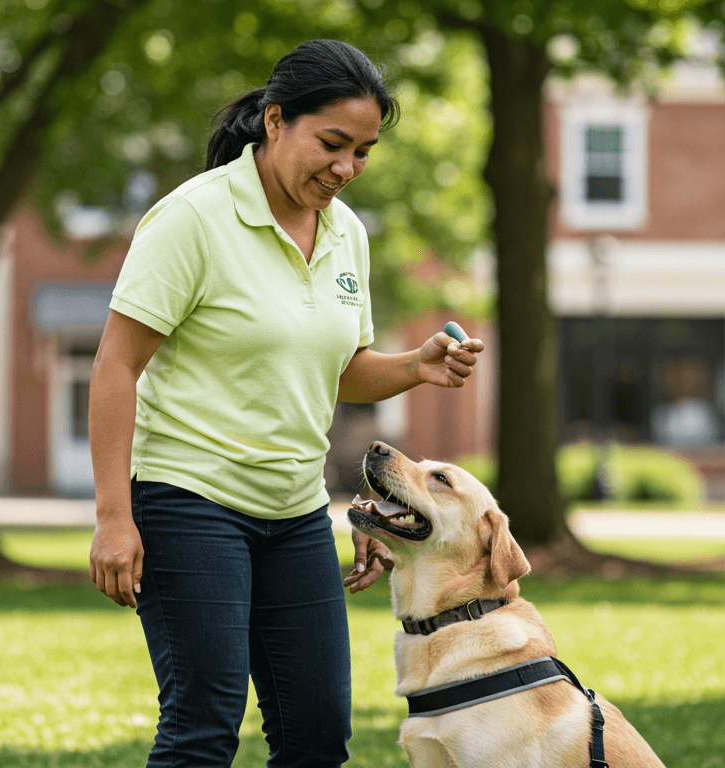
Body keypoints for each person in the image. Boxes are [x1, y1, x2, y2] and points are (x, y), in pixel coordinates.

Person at [87, 39, 486, 768]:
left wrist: (416, 368)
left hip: (295, 509)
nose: (345, 168)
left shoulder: (346, 235)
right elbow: (117, 367)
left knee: (316, 734)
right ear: (275, 122)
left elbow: (339, 370)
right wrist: (115, 517)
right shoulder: (194, 219)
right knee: (203, 726)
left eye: (362, 152)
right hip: (189, 498)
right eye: (332, 143)